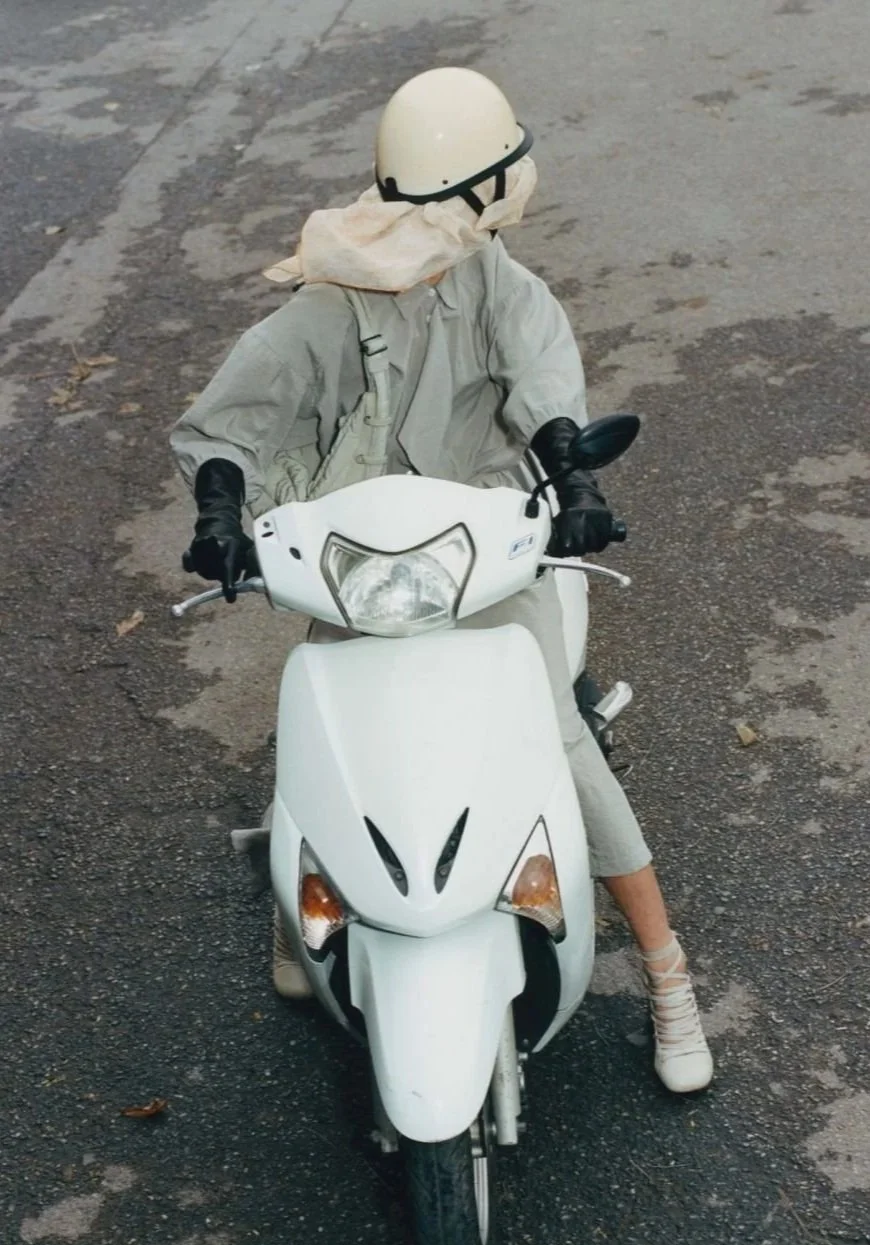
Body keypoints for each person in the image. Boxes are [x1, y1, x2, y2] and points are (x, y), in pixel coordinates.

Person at [171, 68, 713, 1094]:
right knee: (322, 736)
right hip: (367, 558)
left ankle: (665, 971)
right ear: (483, 184)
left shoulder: (494, 279)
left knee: (561, 738)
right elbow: (235, 412)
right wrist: (218, 510)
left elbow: (546, 387)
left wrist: (574, 478)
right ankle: (302, 909)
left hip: (486, 550)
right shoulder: (339, 293)